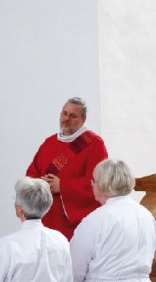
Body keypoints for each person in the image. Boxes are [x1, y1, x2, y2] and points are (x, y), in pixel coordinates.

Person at [25, 97, 109, 240]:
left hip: (74, 224)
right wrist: (41, 183)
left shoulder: (94, 144)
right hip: (46, 217)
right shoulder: (49, 143)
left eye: (72, 116)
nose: (66, 119)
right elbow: (31, 174)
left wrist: (63, 186)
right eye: (64, 114)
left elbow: (99, 183)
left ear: (83, 119)